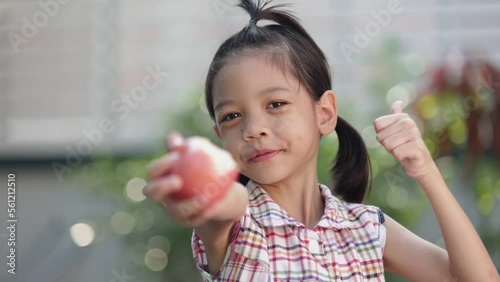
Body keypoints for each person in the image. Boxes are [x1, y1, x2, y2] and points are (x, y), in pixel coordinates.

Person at [144, 0, 499, 281]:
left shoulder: (365, 228)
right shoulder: (238, 227)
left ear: (324, 113)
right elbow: (223, 205)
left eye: (276, 104)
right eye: (232, 116)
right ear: (221, 137)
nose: (253, 128)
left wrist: (425, 171)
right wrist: (198, 187)